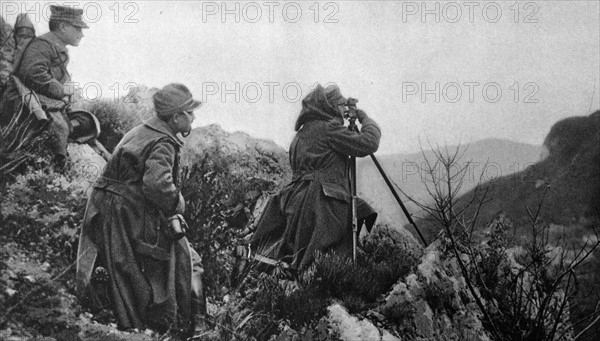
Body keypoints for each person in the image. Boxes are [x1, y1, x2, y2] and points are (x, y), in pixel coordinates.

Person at [75, 84, 206, 336]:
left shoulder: (142, 130)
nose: (193, 117)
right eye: (189, 112)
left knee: (122, 267)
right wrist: (178, 204)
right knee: (189, 260)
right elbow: (157, 185)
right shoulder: (164, 142)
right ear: (176, 116)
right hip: (126, 210)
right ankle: (195, 327)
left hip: (108, 206)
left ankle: (128, 320)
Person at [248, 84, 381, 271]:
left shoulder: (300, 134)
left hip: (297, 202)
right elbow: (368, 143)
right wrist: (365, 120)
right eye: (341, 106)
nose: (344, 112)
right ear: (331, 107)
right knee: (325, 260)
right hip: (322, 204)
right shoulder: (329, 129)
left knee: (302, 258)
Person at [0, 5, 92, 166]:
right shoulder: (42, 46)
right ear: (63, 27)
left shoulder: (54, 46)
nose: (82, 34)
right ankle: (55, 166)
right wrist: (62, 90)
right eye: (78, 29)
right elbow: (32, 73)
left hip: (44, 98)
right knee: (59, 127)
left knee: (87, 122)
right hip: (23, 99)